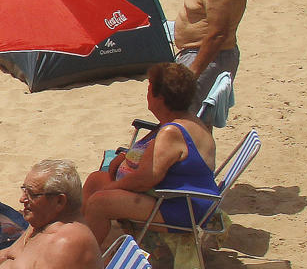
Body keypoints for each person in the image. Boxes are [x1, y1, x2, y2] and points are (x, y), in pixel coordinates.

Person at [81, 63, 218, 244]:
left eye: (149, 87)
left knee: (99, 202)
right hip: (178, 197)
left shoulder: (172, 132)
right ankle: (81, 235)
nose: (146, 93)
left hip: (182, 207)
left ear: (159, 97)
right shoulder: (187, 120)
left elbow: (146, 179)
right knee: (96, 180)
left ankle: (85, 258)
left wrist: (112, 188)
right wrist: (124, 158)